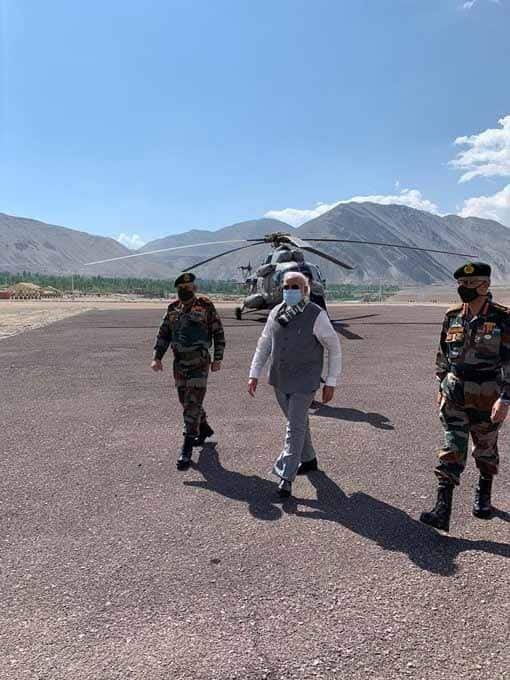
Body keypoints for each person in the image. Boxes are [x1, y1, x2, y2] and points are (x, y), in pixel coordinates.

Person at [420, 262, 510, 532]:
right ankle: (442, 509)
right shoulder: (452, 316)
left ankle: (484, 495)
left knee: (485, 448)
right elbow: (443, 354)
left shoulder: (502, 318)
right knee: (452, 447)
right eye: (461, 284)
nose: (464, 288)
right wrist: (440, 384)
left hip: (487, 395)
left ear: (486, 285)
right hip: (455, 392)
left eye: (471, 284)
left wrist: (505, 398)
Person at [248, 271, 342, 497]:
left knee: (294, 428)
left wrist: (330, 381)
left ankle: (285, 477)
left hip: (304, 382)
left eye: (295, 287)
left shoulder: (316, 314)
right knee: (297, 422)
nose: (289, 290)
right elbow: (264, 344)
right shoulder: (275, 312)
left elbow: (334, 348)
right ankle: (309, 460)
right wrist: (254, 373)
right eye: (286, 286)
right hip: (280, 380)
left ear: (305, 289)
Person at [151, 272, 225, 470]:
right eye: (181, 289)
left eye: (189, 288)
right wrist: (157, 357)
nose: (185, 291)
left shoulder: (206, 307)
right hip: (180, 364)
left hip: (199, 364)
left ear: (195, 288)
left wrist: (218, 358)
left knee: (191, 405)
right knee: (185, 401)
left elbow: (218, 333)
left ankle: (187, 447)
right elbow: (164, 334)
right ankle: (205, 428)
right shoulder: (172, 309)